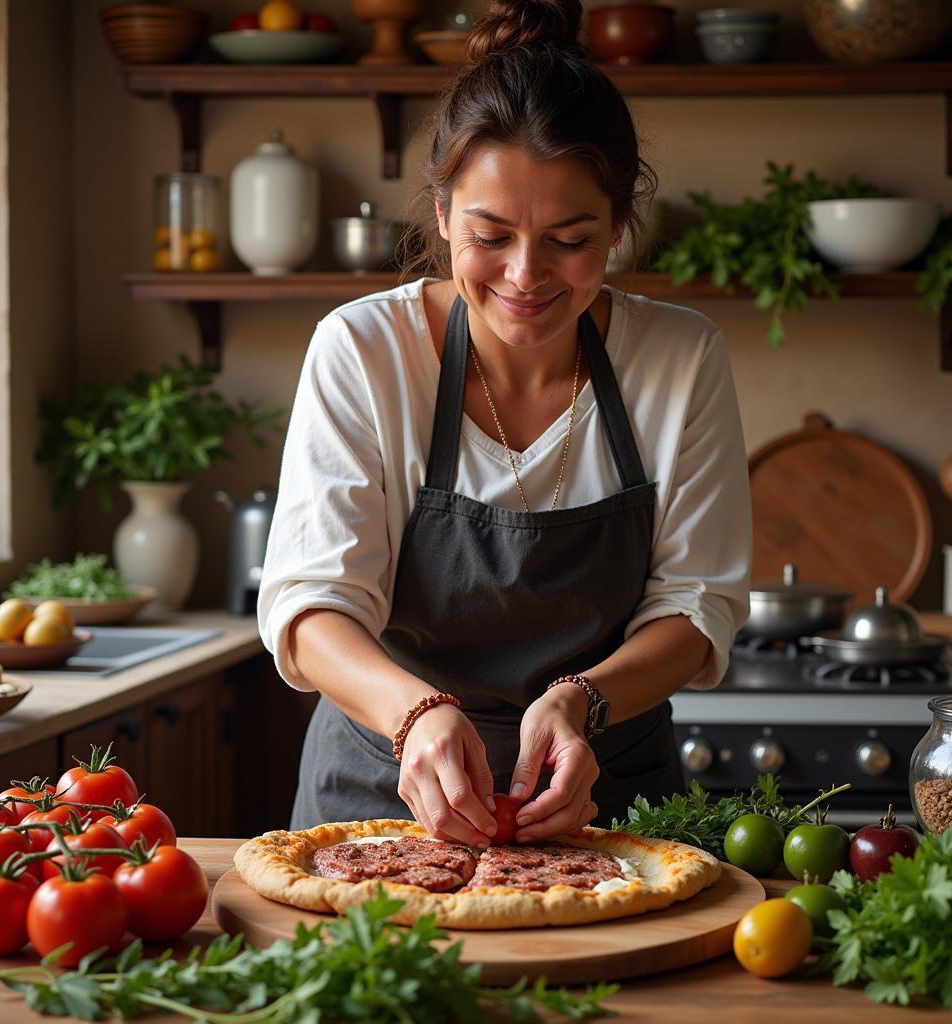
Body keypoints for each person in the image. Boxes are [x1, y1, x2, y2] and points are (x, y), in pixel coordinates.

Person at [258, 0, 751, 849]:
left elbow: (695, 606)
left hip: (611, 803)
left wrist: (579, 700)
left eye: (570, 238)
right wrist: (413, 713)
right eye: (492, 234)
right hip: (379, 796)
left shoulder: (678, 358)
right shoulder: (363, 351)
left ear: (620, 229)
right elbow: (311, 607)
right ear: (442, 215)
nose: (528, 276)